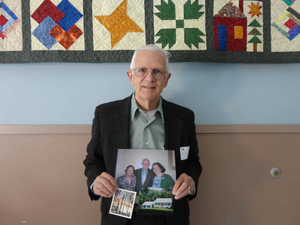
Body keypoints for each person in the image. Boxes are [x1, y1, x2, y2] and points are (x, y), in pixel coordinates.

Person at [83, 44, 202, 225]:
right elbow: (93, 160)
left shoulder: (184, 117)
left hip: (170, 217)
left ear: (167, 79)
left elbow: (193, 162)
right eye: (141, 70)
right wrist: (95, 181)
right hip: (120, 215)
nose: (149, 78)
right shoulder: (105, 115)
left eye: (157, 72)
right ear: (131, 76)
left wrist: (190, 180)